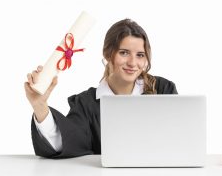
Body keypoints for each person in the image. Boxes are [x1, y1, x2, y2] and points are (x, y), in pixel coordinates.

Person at [24, 19, 178, 158]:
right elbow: (66, 142)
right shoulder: (86, 104)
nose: (132, 62)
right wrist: (40, 106)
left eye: (140, 55)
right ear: (108, 53)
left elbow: (179, 140)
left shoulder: (163, 90)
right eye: (124, 53)